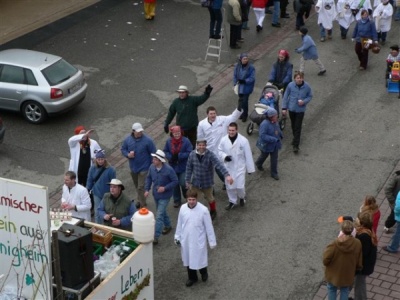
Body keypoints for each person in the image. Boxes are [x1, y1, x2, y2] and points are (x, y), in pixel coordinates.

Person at [174, 190, 217, 287]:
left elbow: (209, 227)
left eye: (193, 199)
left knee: (199, 258)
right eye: (189, 199)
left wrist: (212, 241)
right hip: (186, 239)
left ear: (196, 199)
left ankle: (203, 273)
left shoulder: (203, 210)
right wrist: (177, 236)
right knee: (189, 259)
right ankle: (192, 278)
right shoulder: (183, 208)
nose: (191, 201)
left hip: (198, 240)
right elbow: (179, 224)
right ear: (186, 199)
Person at [185, 139, 234, 220]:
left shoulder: (210, 155)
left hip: (207, 183)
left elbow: (219, 164)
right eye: (199, 145)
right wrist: (187, 180)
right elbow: (188, 168)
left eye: (203, 145)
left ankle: (213, 211)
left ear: (206, 145)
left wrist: (227, 175)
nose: (201, 147)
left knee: (210, 198)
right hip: (196, 183)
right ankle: (195, 213)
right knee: (194, 198)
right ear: (197, 146)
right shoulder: (192, 154)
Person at [197, 106, 242, 188]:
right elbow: (200, 138)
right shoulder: (202, 124)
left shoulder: (222, 119)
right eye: (211, 114)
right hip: (210, 151)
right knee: (216, 169)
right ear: (207, 114)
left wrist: (238, 109)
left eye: (214, 113)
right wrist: (199, 150)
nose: (213, 115)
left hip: (223, 149)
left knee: (225, 167)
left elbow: (232, 117)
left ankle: (229, 182)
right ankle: (221, 184)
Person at [144, 150, 178, 245]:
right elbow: (149, 178)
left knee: (158, 215)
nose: (153, 161)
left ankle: (155, 237)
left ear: (160, 161)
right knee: (161, 211)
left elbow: (175, 181)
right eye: (153, 158)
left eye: (155, 159)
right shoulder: (151, 167)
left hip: (165, 196)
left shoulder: (169, 170)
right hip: (156, 195)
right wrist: (147, 190)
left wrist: (165, 188)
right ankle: (168, 225)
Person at [218, 122, 255, 209]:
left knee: (240, 186)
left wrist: (250, 169)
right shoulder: (223, 140)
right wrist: (225, 157)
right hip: (228, 168)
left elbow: (248, 155)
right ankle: (232, 201)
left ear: (237, 130)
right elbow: (219, 150)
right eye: (230, 130)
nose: (231, 132)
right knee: (229, 187)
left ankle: (242, 197)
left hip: (240, 168)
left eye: (233, 130)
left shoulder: (243, 141)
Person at [323, 220, 363, 300]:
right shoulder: (357, 243)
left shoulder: (334, 244)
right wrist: (358, 268)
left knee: (331, 289)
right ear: (352, 230)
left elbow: (325, 259)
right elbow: (359, 259)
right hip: (348, 273)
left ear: (342, 230)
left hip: (334, 273)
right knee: (345, 290)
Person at [121, 122, 156, 208]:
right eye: (138, 131)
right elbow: (123, 149)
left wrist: (152, 165)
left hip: (145, 168)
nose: (140, 133)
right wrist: (128, 155)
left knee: (141, 187)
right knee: (137, 186)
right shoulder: (128, 140)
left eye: (141, 131)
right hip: (133, 168)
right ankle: (139, 199)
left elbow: (153, 153)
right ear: (133, 131)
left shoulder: (148, 140)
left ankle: (143, 205)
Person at [282, 71, 313, 153]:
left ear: (303, 78)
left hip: (300, 110)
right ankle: (295, 137)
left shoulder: (307, 86)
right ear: (295, 79)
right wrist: (284, 108)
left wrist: (304, 101)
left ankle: (296, 145)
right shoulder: (290, 85)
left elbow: (310, 96)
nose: (299, 80)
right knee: (293, 125)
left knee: (298, 126)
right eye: (298, 78)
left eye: (301, 78)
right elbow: (285, 96)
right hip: (292, 109)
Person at [163, 126, 193, 208]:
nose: (177, 135)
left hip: (183, 166)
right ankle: (177, 200)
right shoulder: (168, 142)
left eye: (178, 133)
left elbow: (190, 152)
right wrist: (170, 157)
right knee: (174, 184)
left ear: (181, 133)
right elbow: (165, 151)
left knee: (183, 183)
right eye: (175, 133)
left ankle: (187, 196)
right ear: (172, 134)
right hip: (172, 167)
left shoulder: (186, 141)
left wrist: (179, 156)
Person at [86, 149, 116, 224]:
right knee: (97, 212)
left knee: (108, 211)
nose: (100, 161)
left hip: (108, 194)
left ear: (105, 159)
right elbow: (89, 180)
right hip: (96, 193)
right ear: (96, 159)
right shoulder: (92, 168)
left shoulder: (111, 170)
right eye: (98, 159)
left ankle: (107, 225)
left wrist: (113, 193)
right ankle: (98, 226)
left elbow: (113, 183)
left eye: (102, 159)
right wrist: (87, 189)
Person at [353, 211, 377, 300]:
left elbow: (363, 252)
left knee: (359, 284)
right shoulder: (368, 230)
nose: (356, 220)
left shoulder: (363, 236)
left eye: (358, 219)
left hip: (363, 266)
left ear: (362, 222)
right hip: (366, 264)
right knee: (360, 283)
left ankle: (360, 298)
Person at [254, 108, 283, 180]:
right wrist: (274, 139)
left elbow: (277, 129)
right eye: (275, 115)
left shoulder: (275, 121)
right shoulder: (265, 124)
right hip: (266, 145)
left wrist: (281, 134)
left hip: (274, 145)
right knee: (264, 156)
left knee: (274, 159)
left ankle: (274, 173)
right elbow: (262, 136)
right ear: (271, 117)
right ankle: (258, 163)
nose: (277, 116)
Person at [233, 53, 256, 122]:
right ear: (241, 59)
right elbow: (235, 75)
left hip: (246, 87)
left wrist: (245, 81)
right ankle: (240, 113)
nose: (245, 60)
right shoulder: (237, 66)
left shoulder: (251, 67)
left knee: (245, 101)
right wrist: (234, 84)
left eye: (246, 59)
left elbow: (252, 78)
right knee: (240, 100)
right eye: (244, 59)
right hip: (239, 87)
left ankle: (245, 114)